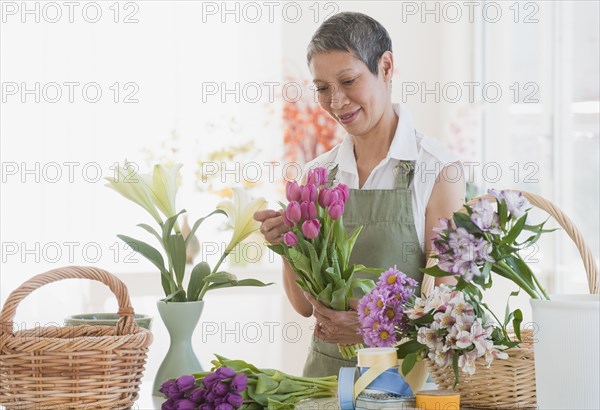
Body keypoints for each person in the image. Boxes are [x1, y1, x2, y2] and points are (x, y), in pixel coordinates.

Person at [254, 11, 465, 377]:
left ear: (386, 67)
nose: (336, 102)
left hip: (401, 382)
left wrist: (374, 328)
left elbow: (448, 309)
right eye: (322, 88)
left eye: (348, 81)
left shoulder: (436, 172)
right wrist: (286, 246)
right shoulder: (318, 175)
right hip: (323, 380)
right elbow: (304, 308)